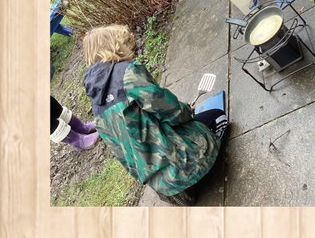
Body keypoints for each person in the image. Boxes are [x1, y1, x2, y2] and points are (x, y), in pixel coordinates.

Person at [83, 24, 227, 204]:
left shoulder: (96, 105)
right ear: (114, 46)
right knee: (218, 117)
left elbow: (123, 157)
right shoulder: (127, 73)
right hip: (188, 166)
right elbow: (171, 110)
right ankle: (203, 169)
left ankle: (184, 191)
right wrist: (187, 111)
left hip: (166, 189)